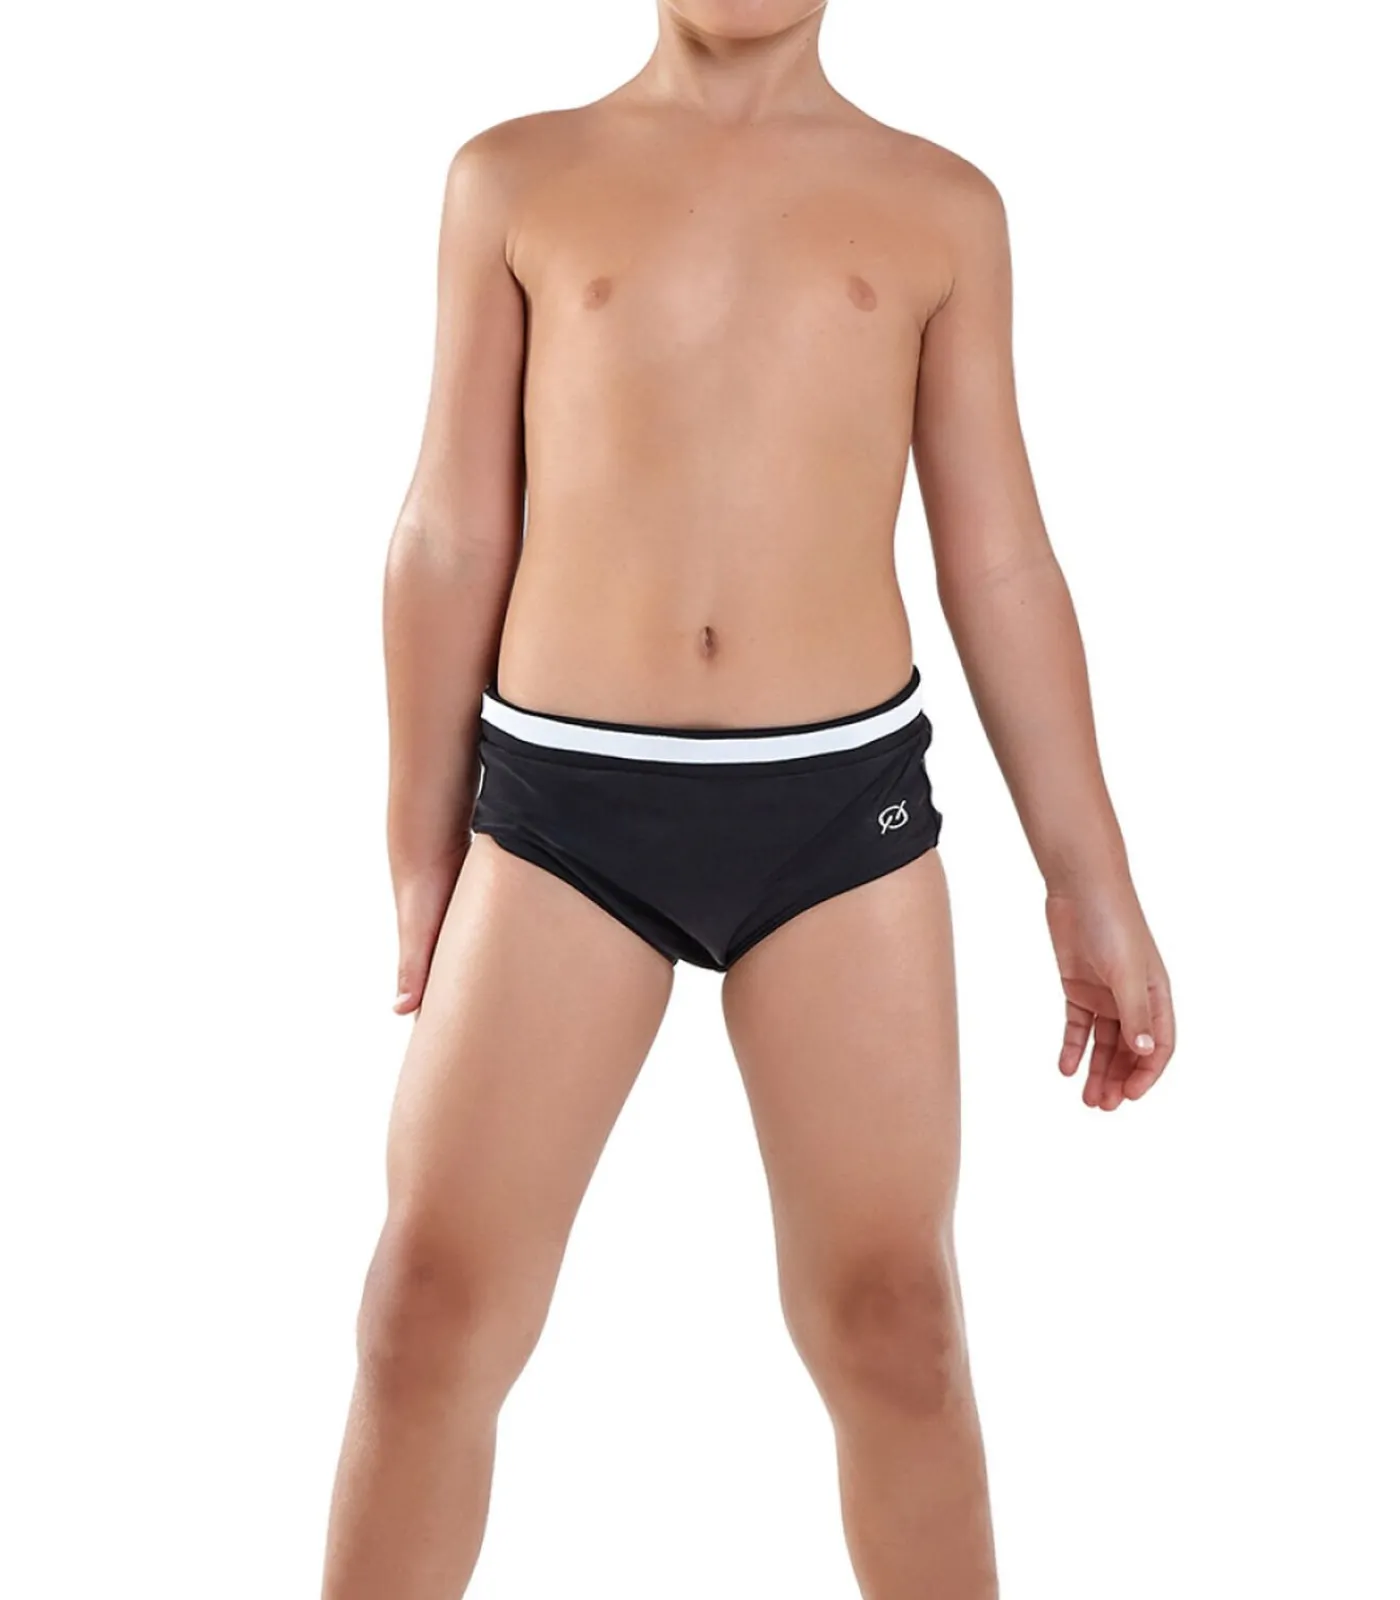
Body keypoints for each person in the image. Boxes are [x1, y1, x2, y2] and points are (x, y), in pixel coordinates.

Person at [320, 3, 1176, 1596]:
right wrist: (415, 847)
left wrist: (1091, 877)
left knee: (896, 1321)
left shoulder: (938, 207)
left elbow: (999, 558)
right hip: (562, 816)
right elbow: (448, 529)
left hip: (837, 818)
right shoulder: (516, 179)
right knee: (427, 1303)